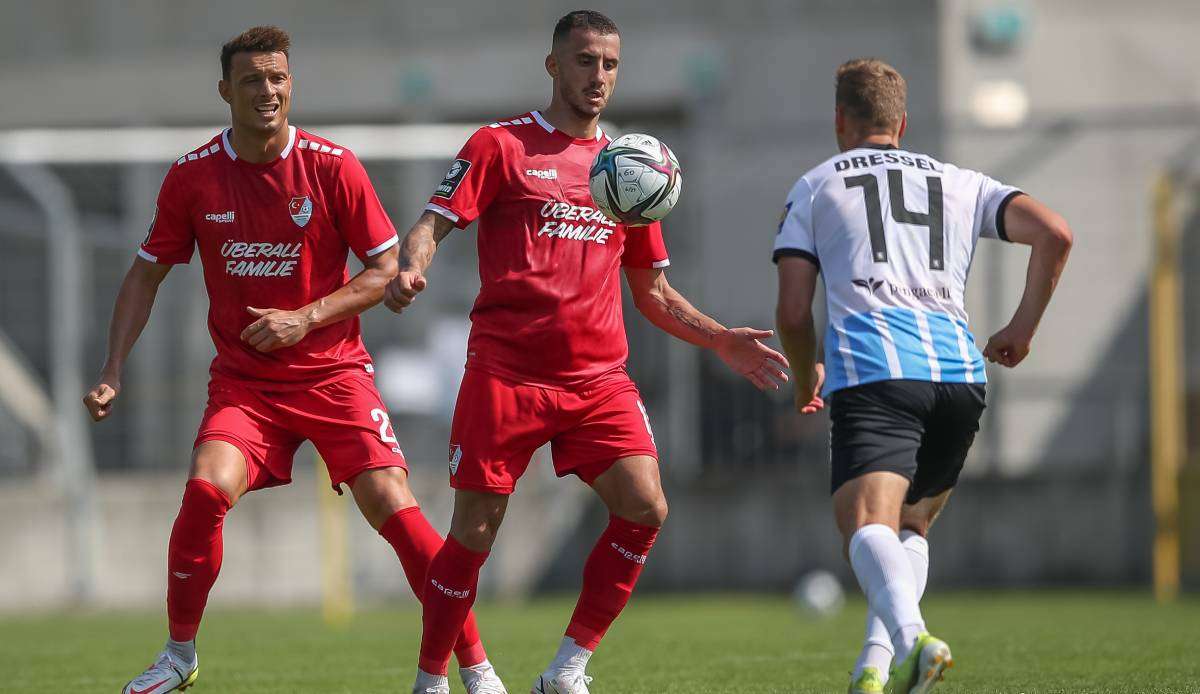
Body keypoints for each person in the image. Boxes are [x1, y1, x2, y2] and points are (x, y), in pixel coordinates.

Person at [81, 26, 504, 694]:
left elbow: (383, 268)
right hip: (246, 386)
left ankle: (476, 666)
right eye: (252, 80)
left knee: (393, 506)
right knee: (202, 491)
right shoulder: (193, 177)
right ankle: (179, 656)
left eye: (278, 78)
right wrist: (112, 368)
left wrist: (305, 318)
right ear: (226, 91)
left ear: (290, 84)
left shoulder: (333, 166)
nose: (268, 91)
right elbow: (144, 275)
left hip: (334, 375)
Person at [383, 10, 790, 694]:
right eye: (584, 61)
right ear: (553, 66)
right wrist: (408, 268)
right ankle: (431, 680)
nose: (597, 76)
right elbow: (431, 223)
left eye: (609, 64)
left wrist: (718, 337)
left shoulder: (630, 169)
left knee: (645, 506)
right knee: (474, 535)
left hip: (597, 380)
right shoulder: (500, 146)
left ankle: (567, 669)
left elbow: (653, 291)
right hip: (505, 373)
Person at [773, 58, 1073, 694]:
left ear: (839, 121)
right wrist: (1021, 328)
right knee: (909, 528)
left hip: (877, 374)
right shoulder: (957, 181)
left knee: (864, 525)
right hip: (961, 378)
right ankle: (874, 670)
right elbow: (1055, 233)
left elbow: (793, 311)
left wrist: (804, 381)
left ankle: (912, 644)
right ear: (902, 123)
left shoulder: (817, 184)